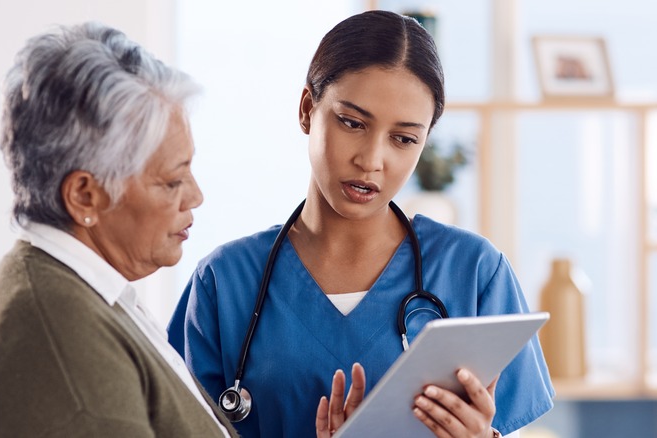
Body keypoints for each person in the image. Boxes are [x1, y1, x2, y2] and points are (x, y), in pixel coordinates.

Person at [168, 10, 554, 438]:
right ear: (306, 109)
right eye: (352, 123)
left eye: (404, 139)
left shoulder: (475, 272)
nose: (371, 160)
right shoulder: (225, 282)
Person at [0, 22, 238, 437]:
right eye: (172, 181)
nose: (195, 196)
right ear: (85, 196)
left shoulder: (83, 293)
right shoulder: (61, 348)